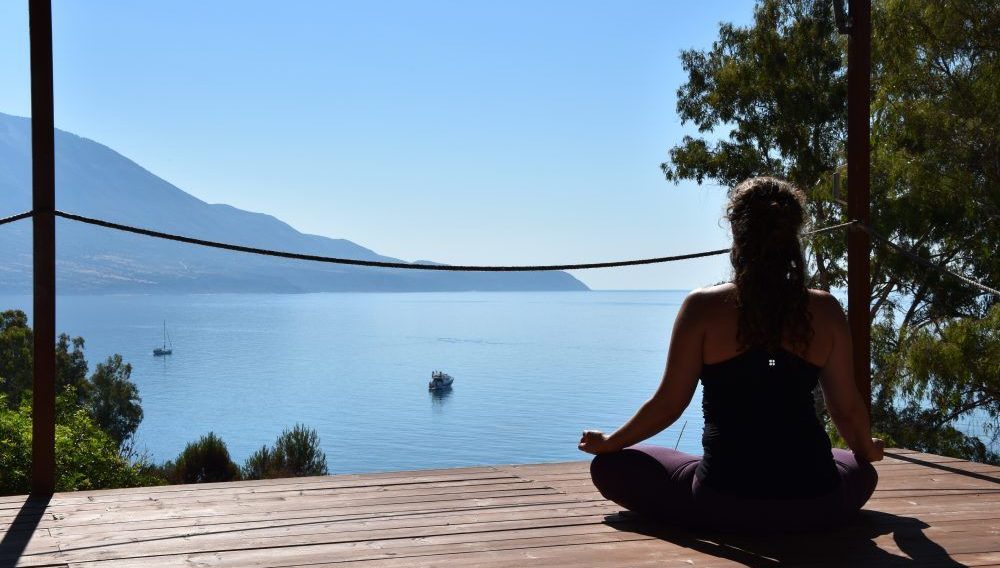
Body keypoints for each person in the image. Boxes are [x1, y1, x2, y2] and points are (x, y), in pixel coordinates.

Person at [578, 176, 882, 533]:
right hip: (816, 503)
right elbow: (845, 408)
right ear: (792, 236)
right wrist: (866, 447)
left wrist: (611, 442)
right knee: (859, 469)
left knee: (610, 467)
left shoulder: (702, 307)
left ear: (737, 232)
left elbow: (669, 405)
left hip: (721, 504)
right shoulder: (826, 309)